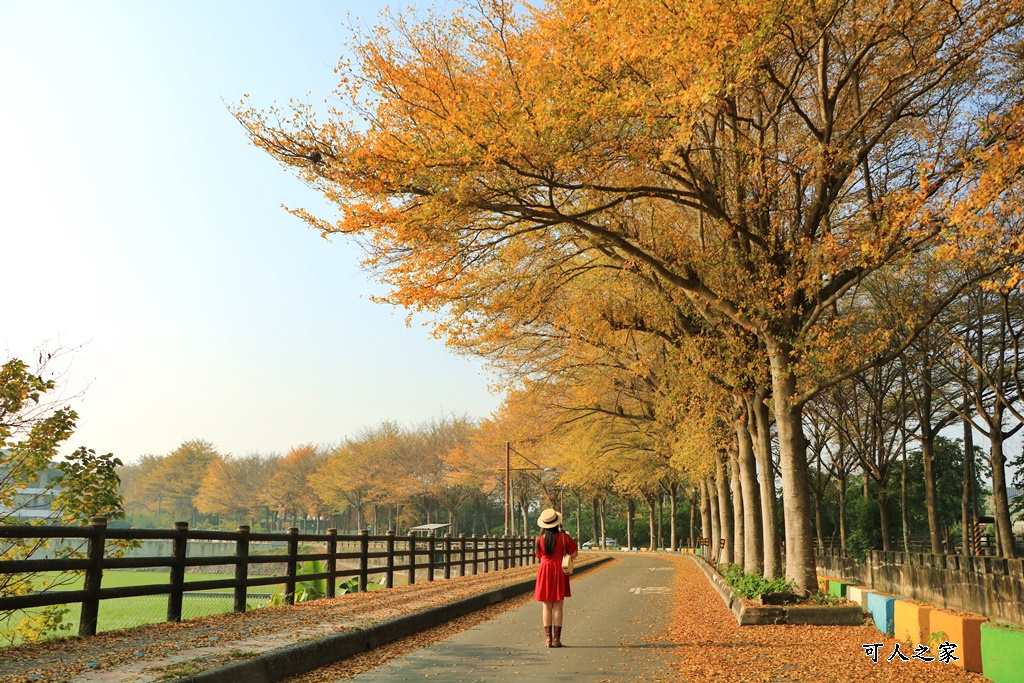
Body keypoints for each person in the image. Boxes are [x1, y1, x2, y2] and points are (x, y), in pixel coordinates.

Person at [534, 507, 578, 648]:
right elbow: (574, 554)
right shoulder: (565, 538)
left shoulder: (539, 539)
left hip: (545, 570)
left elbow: (539, 556)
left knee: (546, 606)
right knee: (558, 605)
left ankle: (548, 639)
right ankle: (557, 639)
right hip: (559, 569)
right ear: (557, 522)